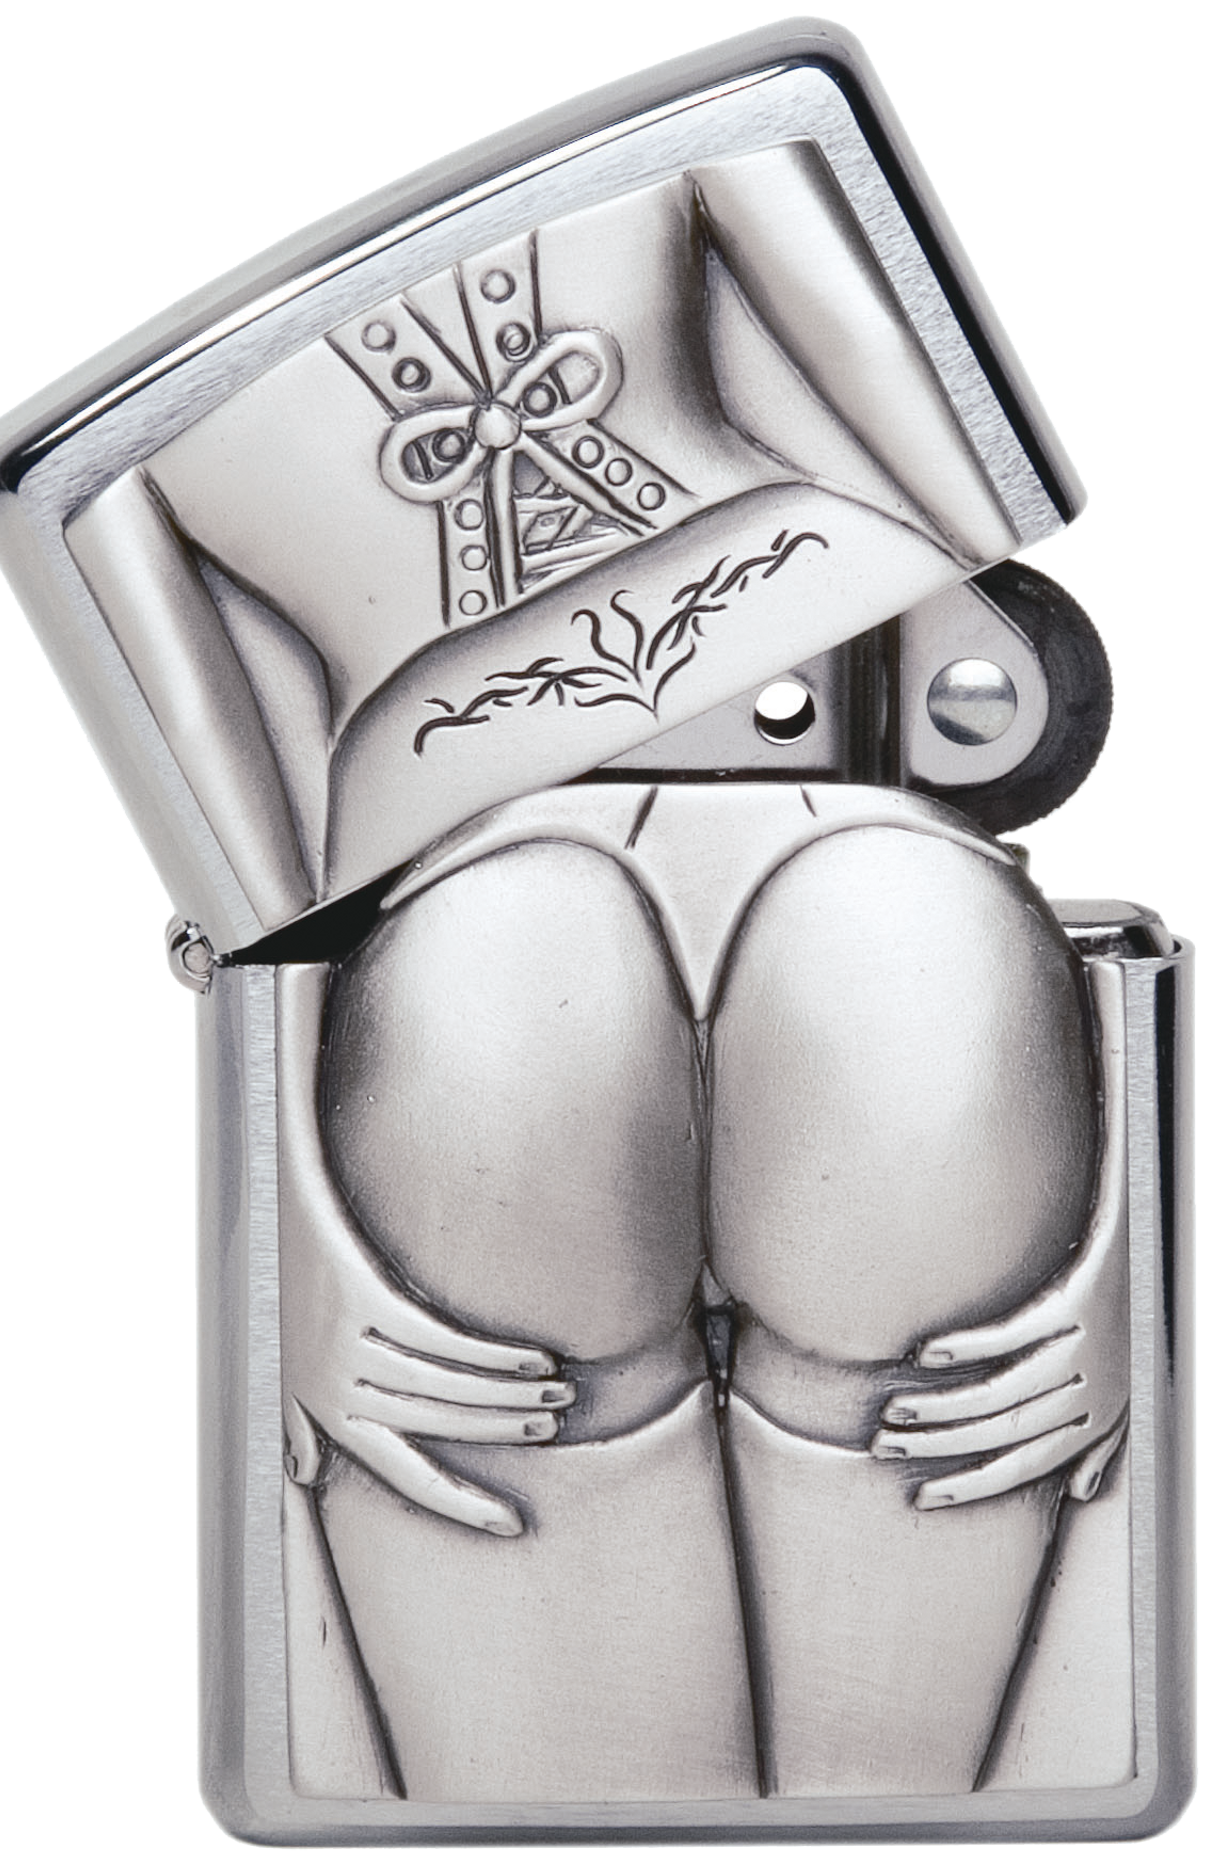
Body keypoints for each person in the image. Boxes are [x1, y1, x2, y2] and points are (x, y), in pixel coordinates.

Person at [67, 146, 1128, 1799]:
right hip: (776, 856)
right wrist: (1118, 1289)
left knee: (555, 1246)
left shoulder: (105, 461)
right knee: (883, 992)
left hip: (467, 887)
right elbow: (953, 519)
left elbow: (252, 916)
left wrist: (294, 1275)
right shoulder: (726, 152)